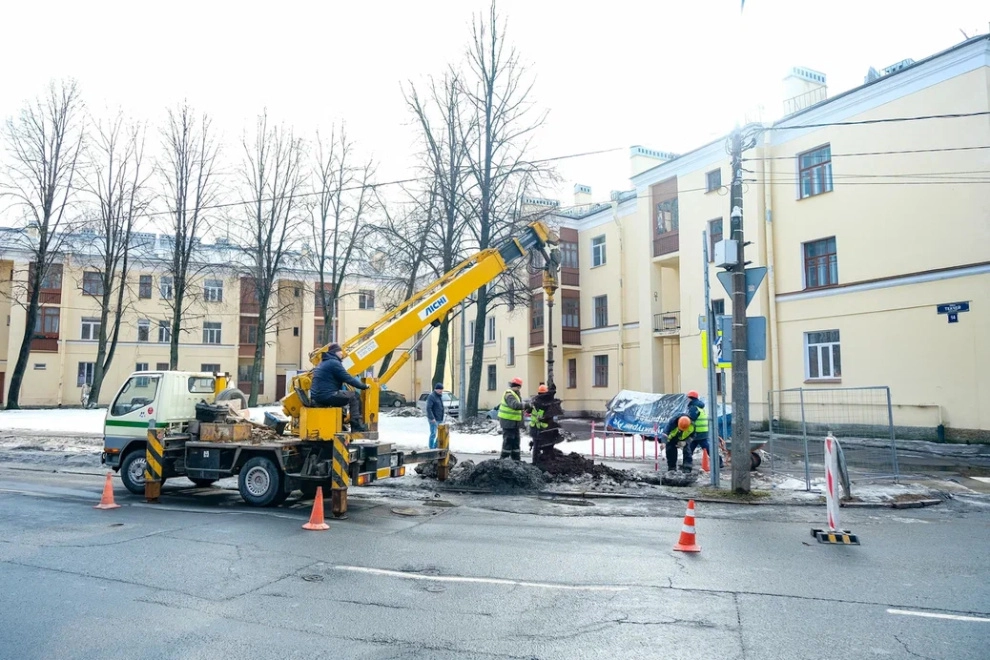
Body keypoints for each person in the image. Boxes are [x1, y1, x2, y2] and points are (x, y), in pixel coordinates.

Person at [309, 343, 370, 432]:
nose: (342, 353)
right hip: (327, 395)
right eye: (340, 351)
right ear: (334, 352)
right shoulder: (334, 363)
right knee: (354, 396)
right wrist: (363, 386)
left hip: (318, 396)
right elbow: (348, 378)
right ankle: (356, 425)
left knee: (343, 396)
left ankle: (342, 422)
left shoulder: (324, 362)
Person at [684, 389, 722, 468]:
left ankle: (719, 461)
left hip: (697, 432)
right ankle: (686, 463)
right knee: (690, 448)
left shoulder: (694, 408)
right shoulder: (700, 407)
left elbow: (691, 419)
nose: (687, 400)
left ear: (691, 398)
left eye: (688, 398)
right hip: (701, 431)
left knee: (705, 448)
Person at [497, 377, 530, 461]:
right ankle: (503, 459)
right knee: (508, 440)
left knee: (515, 441)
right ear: (517, 386)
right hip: (508, 422)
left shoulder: (515, 393)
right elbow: (515, 405)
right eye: (518, 387)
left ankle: (516, 459)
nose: (519, 388)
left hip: (514, 422)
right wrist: (526, 405)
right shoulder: (509, 394)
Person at [426, 382, 445, 449]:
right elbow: (428, 408)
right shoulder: (431, 396)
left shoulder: (439, 396)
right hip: (433, 419)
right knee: (433, 433)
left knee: (440, 434)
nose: (441, 391)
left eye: (442, 389)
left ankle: (435, 446)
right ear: (436, 389)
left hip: (439, 418)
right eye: (440, 389)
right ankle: (431, 448)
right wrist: (432, 418)